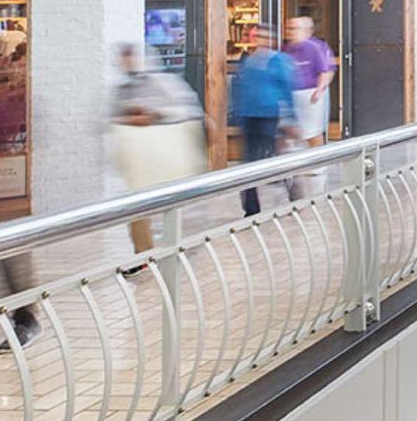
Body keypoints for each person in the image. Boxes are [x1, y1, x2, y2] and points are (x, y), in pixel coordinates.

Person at [111, 43, 206, 255]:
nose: (127, 63)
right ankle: (143, 254)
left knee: (174, 206)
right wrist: (130, 118)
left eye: (131, 57)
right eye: (124, 58)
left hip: (167, 159)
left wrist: (154, 115)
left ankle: (179, 247)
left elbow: (185, 111)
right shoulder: (122, 90)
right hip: (140, 163)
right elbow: (112, 119)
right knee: (137, 209)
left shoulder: (166, 83)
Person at [228, 23, 295, 215]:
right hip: (249, 117)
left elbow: (286, 89)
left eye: (266, 37)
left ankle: (290, 191)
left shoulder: (279, 61)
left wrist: (291, 118)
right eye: (259, 37)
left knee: (270, 157)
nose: (262, 41)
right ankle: (251, 208)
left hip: (269, 117)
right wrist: (238, 115)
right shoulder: (248, 62)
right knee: (249, 161)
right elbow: (241, 90)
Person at [283, 16, 336, 148]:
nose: (290, 32)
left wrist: (319, 90)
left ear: (306, 31)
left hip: (310, 94)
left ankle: (319, 166)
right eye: (288, 28)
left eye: (294, 28)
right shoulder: (286, 48)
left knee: (313, 132)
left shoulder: (316, 47)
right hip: (292, 95)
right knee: (292, 131)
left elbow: (326, 71)